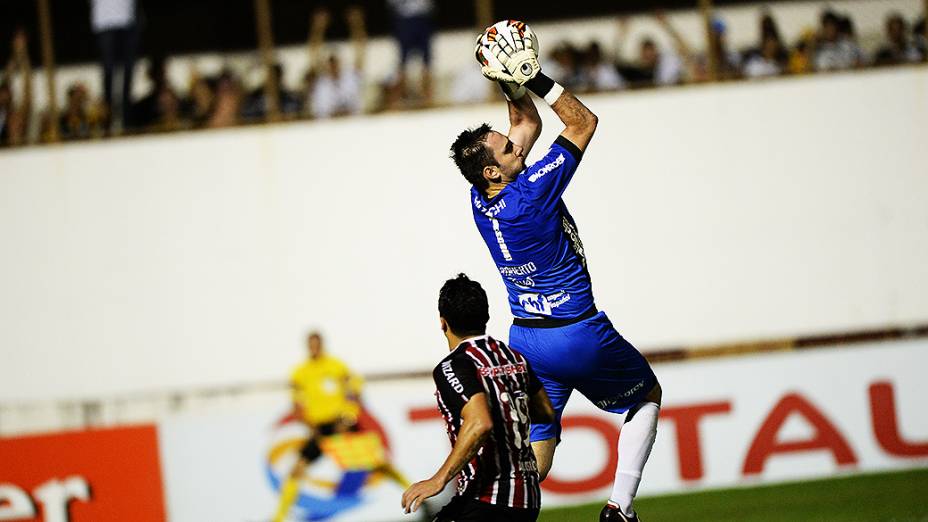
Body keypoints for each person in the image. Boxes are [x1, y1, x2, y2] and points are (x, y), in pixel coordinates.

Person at [450, 22, 661, 522]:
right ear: (494, 171)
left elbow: (524, 123)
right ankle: (620, 508)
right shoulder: (530, 195)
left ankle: (472, 513)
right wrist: (535, 75)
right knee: (647, 397)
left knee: (533, 464)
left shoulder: (482, 198)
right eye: (507, 149)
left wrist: (506, 78)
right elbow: (582, 122)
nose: (516, 146)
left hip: (528, 342)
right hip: (575, 335)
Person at [402, 274, 554, 521]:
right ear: (486, 316)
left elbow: (480, 422)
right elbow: (545, 411)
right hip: (527, 498)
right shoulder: (514, 357)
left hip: (488, 497)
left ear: (443, 323)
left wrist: (438, 480)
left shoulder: (453, 366)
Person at [273, 331, 408, 522]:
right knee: (297, 469)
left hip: (342, 425)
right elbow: (296, 405)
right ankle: (278, 518)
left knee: (378, 462)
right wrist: (310, 425)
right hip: (321, 428)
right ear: (307, 346)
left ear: (322, 344)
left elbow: (355, 392)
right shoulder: (300, 372)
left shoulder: (335, 366)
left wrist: (348, 418)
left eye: (317, 344)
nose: (314, 348)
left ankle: (415, 493)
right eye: (311, 345)